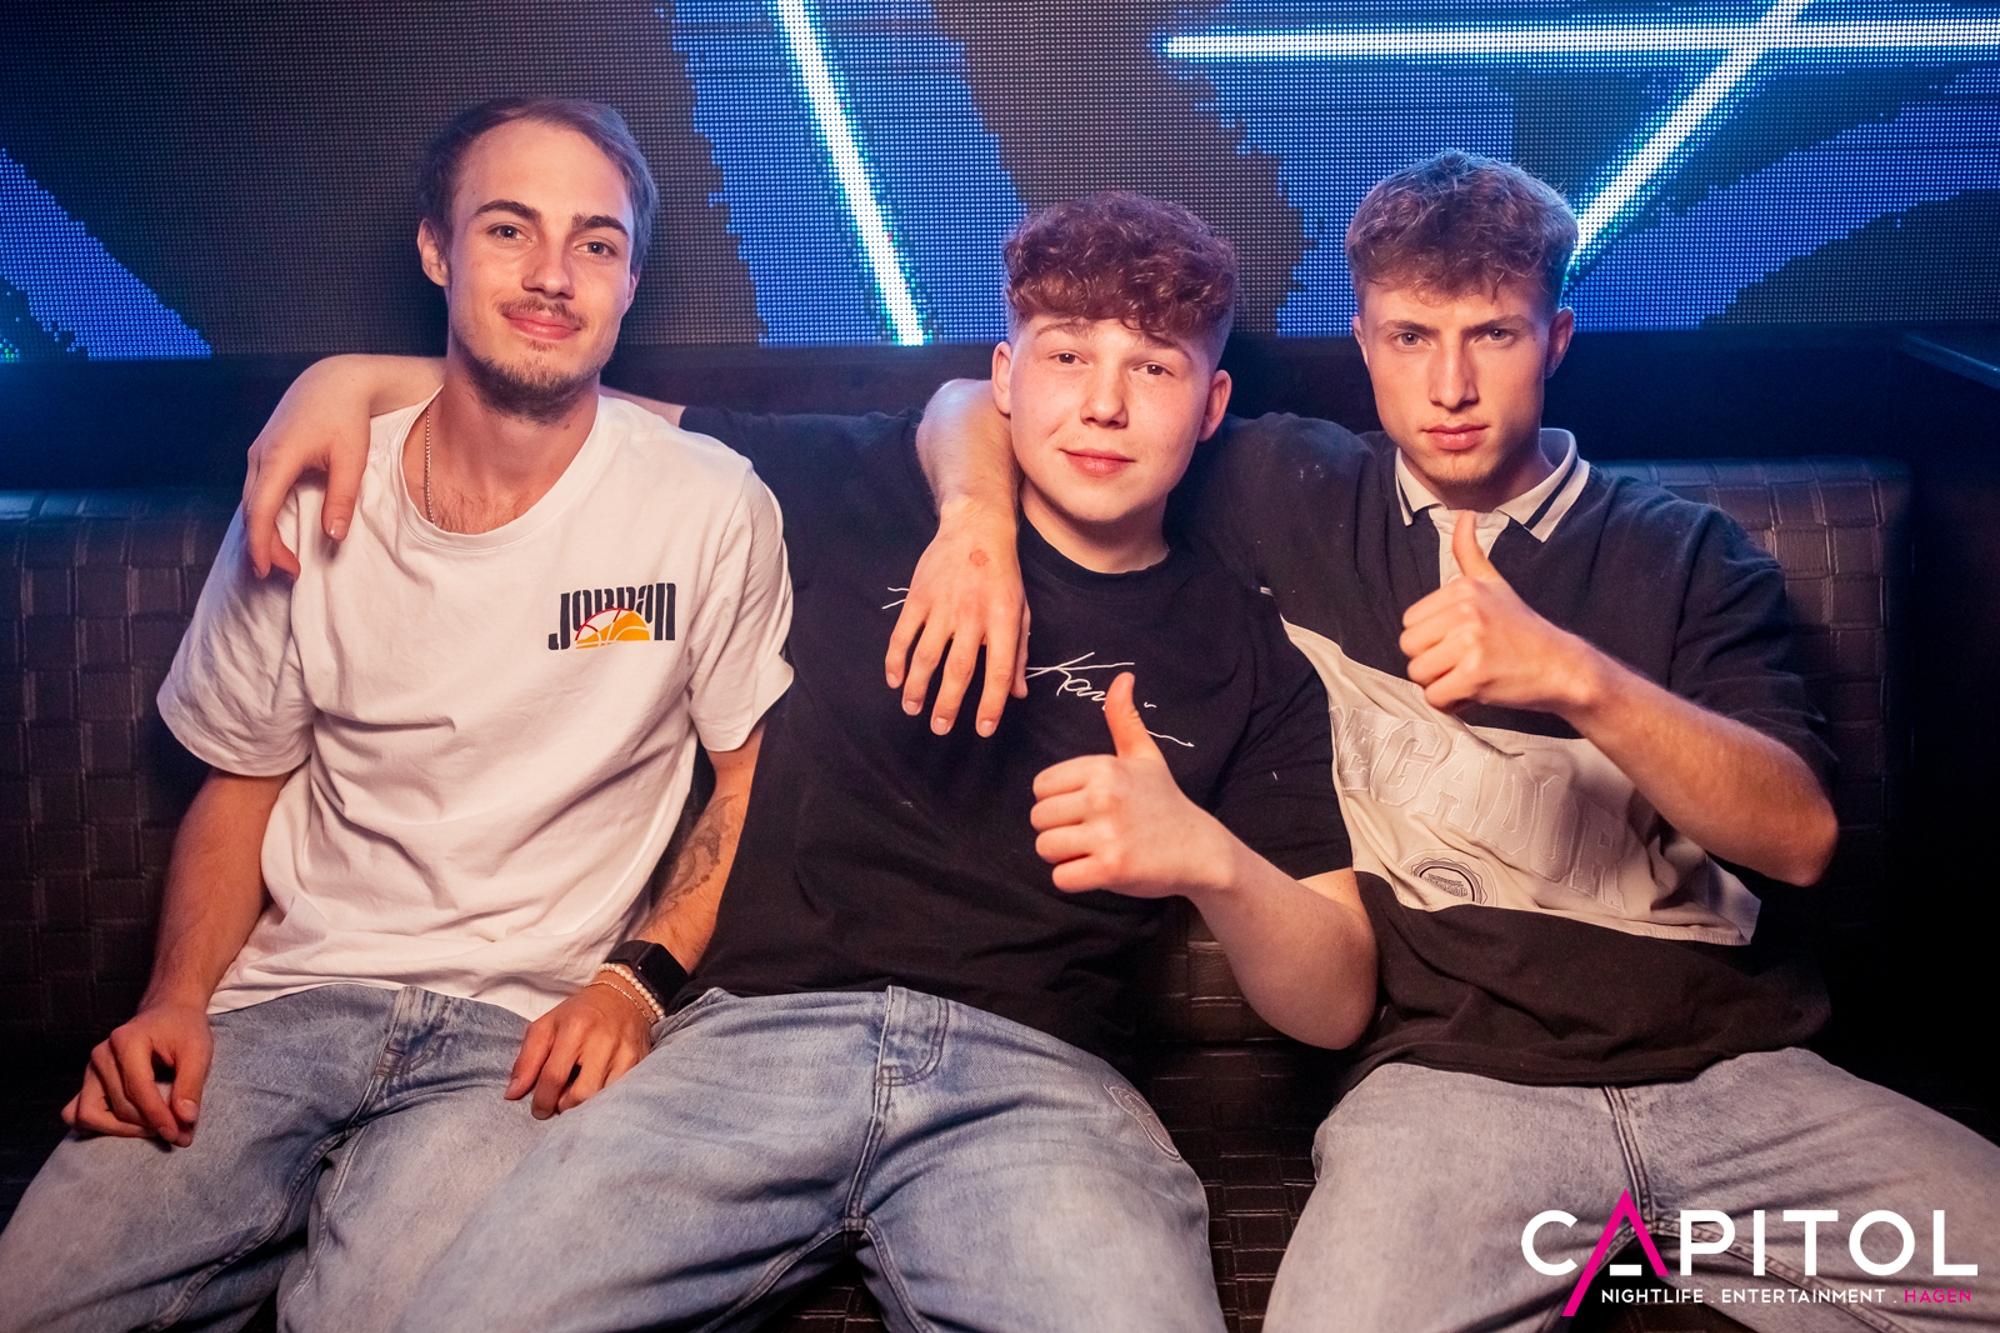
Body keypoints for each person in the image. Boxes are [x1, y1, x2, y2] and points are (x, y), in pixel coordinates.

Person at [237, 192, 1377, 1330]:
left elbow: (1333, 1004)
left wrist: (1208, 858)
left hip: (1037, 1086)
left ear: (1212, 404)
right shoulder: (855, 482)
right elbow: (570, 410)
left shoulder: (1245, 650)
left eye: (1155, 368)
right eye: (1067, 355)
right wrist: (354, 380)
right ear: (1006, 375)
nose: (1103, 403)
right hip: (748, 1044)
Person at [899, 154, 2000, 1329]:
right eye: (1411, 338)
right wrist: (975, 526)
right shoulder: (1288, 491)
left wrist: (1575, 677)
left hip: (1738, 1084)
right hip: (1451, 1096)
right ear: (1365, 345)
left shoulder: (1683, 551)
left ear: (1554, 339)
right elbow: (978, 401)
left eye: (1493, 335)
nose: (1451, 385)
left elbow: (1797, 838)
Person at [0, 97, 792, 1333]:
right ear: (436, 248)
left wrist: (630, 988)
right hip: (280, 1009)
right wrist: (174, 998)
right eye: (508, 229)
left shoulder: (710, 504)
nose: (552, 274)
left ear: (631, 278)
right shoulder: (315, 483)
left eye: (595, 242)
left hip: (515, 1040)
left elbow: (745, 781)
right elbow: (243, 779)